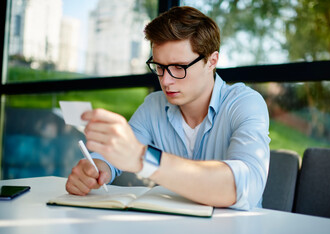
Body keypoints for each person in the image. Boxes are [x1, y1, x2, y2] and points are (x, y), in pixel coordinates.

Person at [65, 6, 270, 210]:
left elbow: (245, 187)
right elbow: (119, 155)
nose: (166, 81)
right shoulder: (154, 106)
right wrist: (97, 169)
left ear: (212, 61)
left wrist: (143, 158)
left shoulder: (245, 104)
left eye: (179, 67)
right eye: (160, 67)